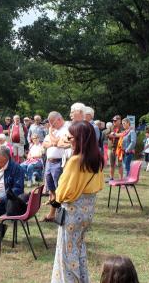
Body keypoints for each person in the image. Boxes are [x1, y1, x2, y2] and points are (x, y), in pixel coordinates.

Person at [51, 121, 104, 283]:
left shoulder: (75, 161)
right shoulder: (97, 159)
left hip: (72, 211)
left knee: (67, 254)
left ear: (81, 139)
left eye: (71, 137)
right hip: (87, 210)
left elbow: (63, 190)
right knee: (79, 250)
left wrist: (56, 199)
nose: (69, 140)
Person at [42, 111, 70, 221]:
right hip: (49, 162)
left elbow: (58, 142)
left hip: (59, 162)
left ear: (59, 119)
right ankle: (53, 214)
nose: (51, 126)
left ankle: (60, 214)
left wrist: (51, 134)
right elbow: (44, 144)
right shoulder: (55, 129)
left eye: (52, 123)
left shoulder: (66, 128)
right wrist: (52, 142)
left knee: (60, 189)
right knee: (51, 189)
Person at [107, 115, 124, 180]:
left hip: (119, 149)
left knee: (120, 164)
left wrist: (114, 135)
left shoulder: (122, 127)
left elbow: (123, 135)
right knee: (111, 164)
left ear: (119, 121)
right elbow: (106, 134)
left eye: (115, 121)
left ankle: (121, 179)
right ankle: (111, 178)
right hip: (111, 148)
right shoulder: (111, 127)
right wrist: (110, 135)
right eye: (113, 121)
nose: (113, 122)